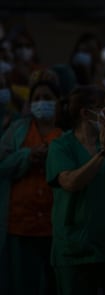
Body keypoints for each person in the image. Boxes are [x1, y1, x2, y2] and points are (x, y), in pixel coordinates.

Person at [46, 86, 105, 295]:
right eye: (103, 108)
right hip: (76, 251)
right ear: (85, 113)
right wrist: (101, 155)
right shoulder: (62, 146)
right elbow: (70, 182)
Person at [0, 69, 62, 295]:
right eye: (36, 99)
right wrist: (27, 155)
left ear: (59, 101)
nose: (42, 103)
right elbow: (2, 164)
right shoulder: (18, 131)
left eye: (47, 98)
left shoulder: (65, 134)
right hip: (20, 225)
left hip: (56, 228)